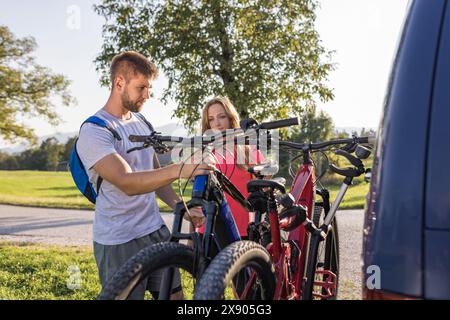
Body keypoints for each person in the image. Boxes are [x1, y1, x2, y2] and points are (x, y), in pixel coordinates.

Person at [76, 51, 211, 300]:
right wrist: (181, 169)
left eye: (149, 88)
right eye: (141, 88)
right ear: (119, 83)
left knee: (175, 297)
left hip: (154, 230)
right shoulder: (95, 131)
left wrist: (179, 206)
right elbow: (127, 183)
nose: (147, 95)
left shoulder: (141, 122)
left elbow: (155, 176)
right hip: (119, 240)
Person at [197, 96, 264, 238]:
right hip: (209, 232)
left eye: (221, 117)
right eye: (211, 119)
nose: (217, 123)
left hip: (243, 232)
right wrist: (192, 238)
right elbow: (198, 201)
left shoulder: (248, 151)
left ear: (230, 118)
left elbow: (263, 191)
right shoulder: (204, 153)